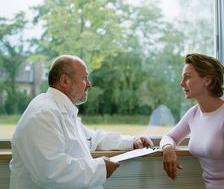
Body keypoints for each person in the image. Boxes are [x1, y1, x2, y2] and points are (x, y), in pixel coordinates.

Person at [9, 54, 153, 189]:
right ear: (65, 80)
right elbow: (50, 171)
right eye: (84, 78)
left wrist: (132, 141)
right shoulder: (43, 114)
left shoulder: (60, 110)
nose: (89, 84)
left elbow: (92, 138)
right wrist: (100, 168)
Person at [160, 53, 224, 189]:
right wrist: (168, 149)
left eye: (187, 77)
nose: (181, 83)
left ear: (207, 80)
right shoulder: (194, 113)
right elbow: (169, 137)